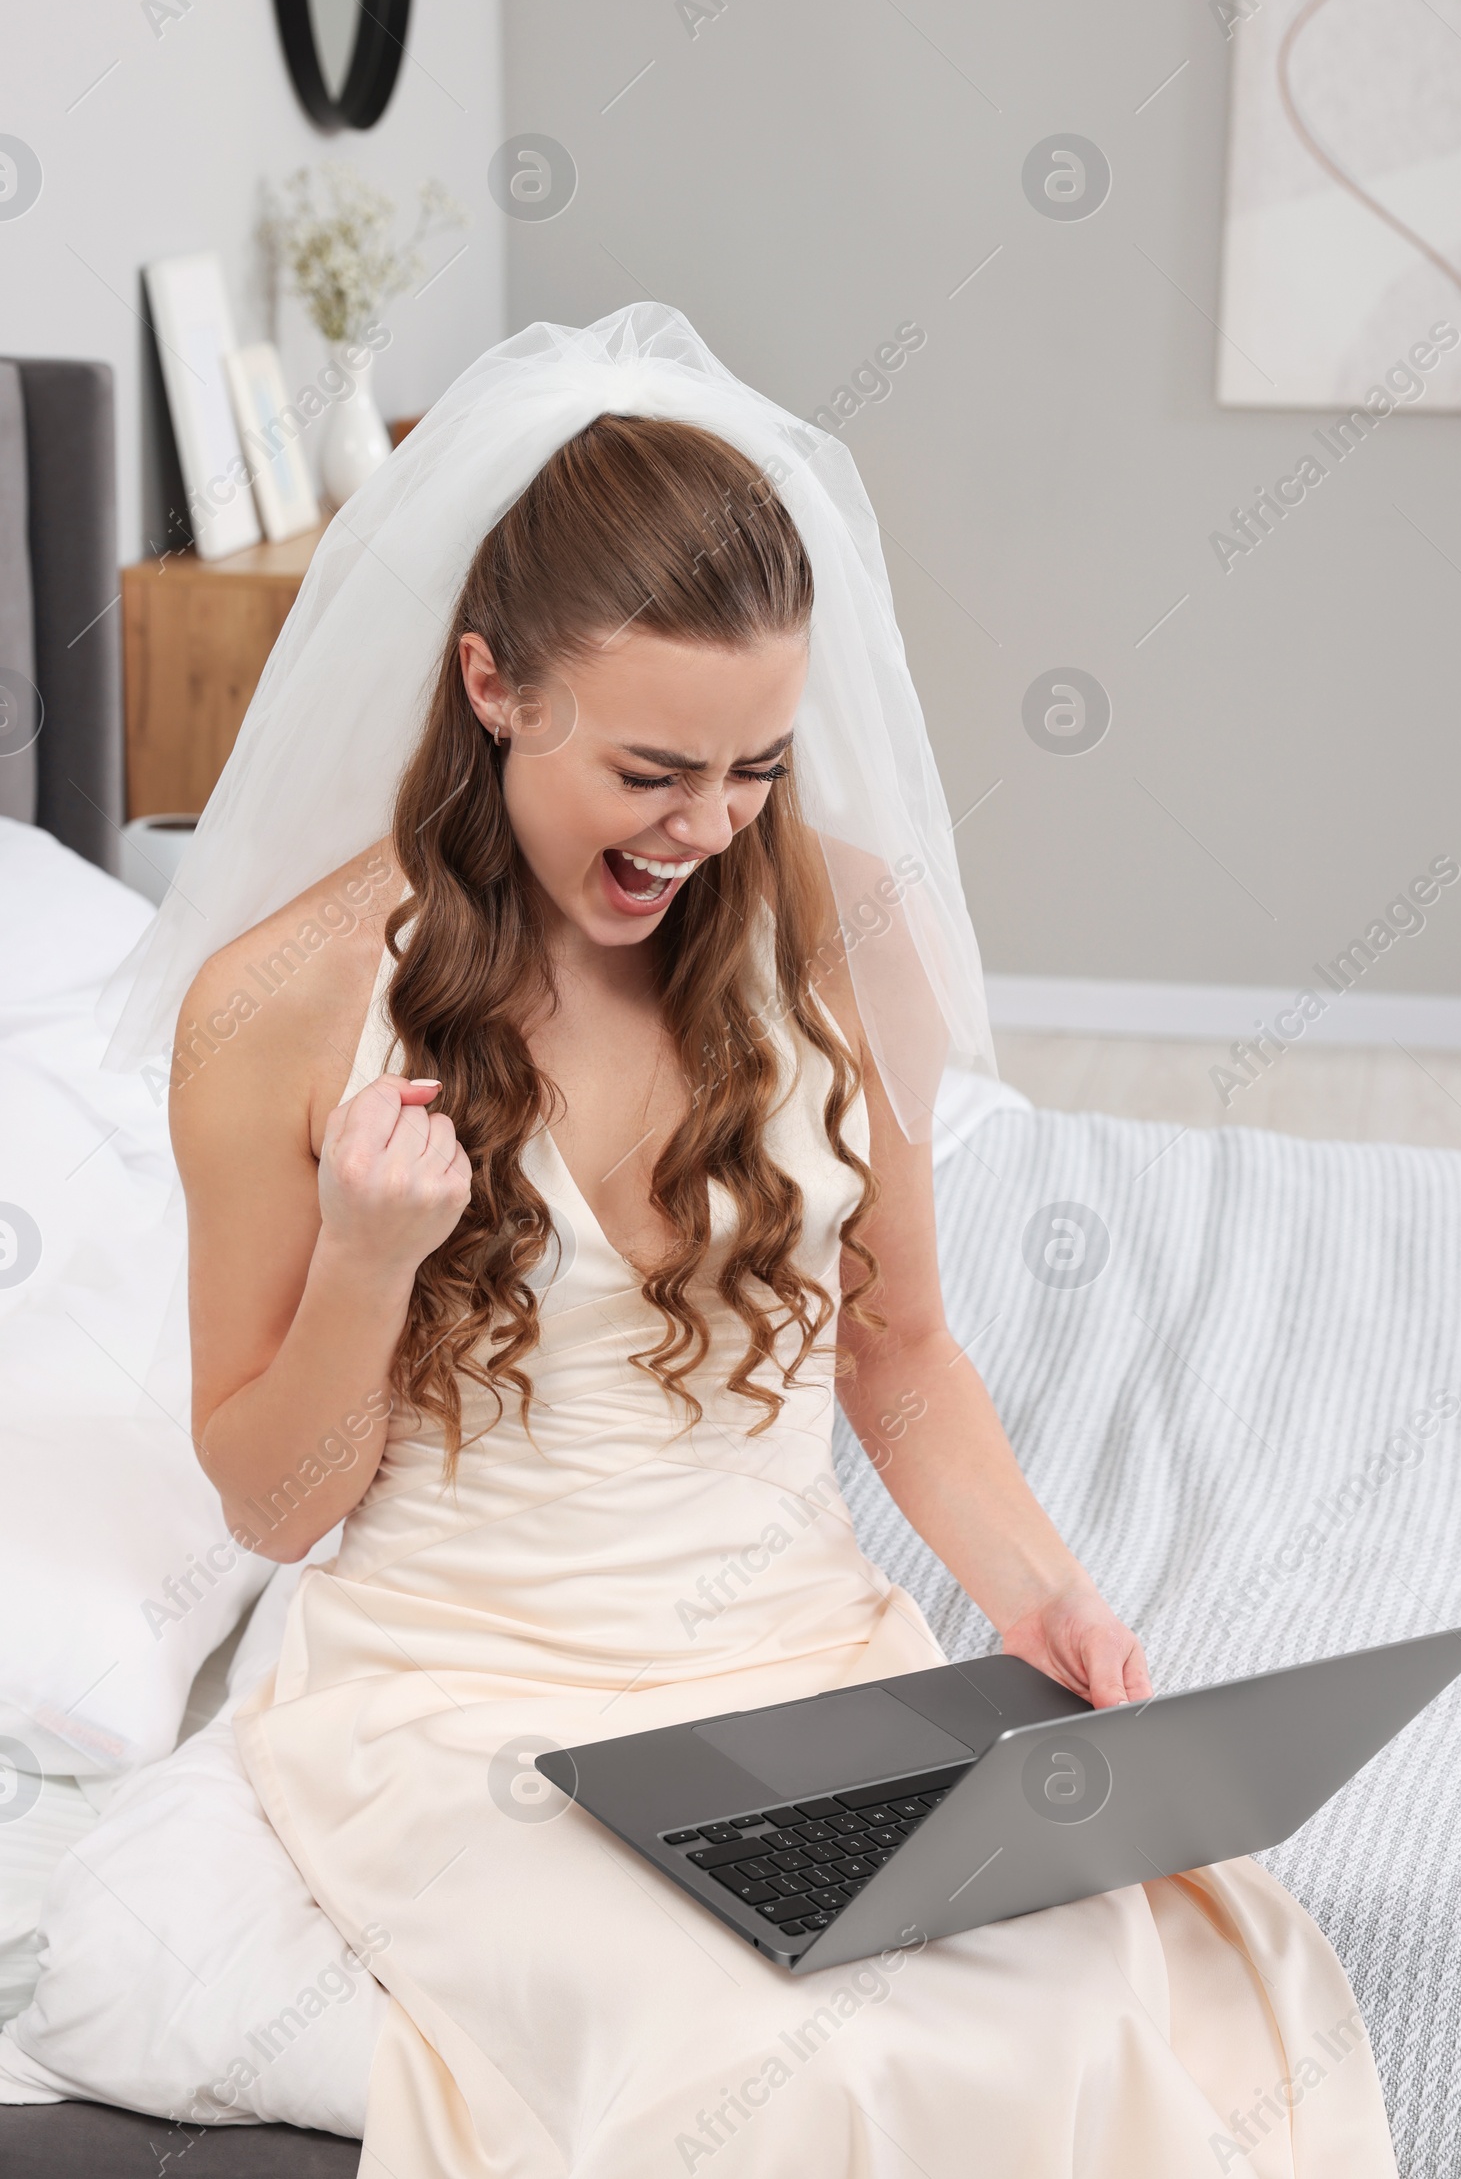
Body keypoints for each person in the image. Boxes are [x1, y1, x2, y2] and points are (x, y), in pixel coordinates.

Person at [142, 307, 1397, 2176]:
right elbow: (270, 1504)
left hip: (796, 1673)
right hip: (462, 1702)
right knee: (791, 2077)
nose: (710, 833)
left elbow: (900, 1353)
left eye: (756, 770)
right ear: (494, 686)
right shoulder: (282, 1009)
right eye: (652, 770)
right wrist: (365, 1260)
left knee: (1105, 1994)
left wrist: (1041, 1596)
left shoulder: (840, 929)